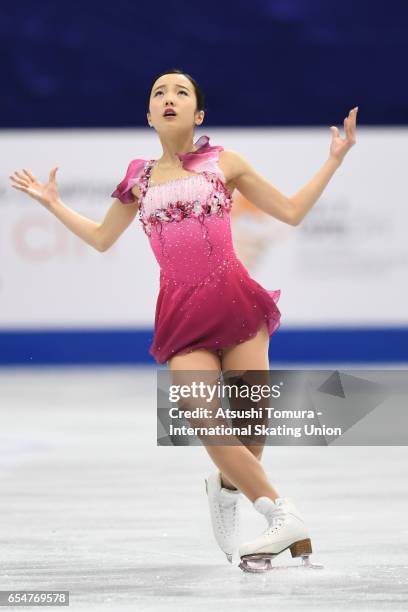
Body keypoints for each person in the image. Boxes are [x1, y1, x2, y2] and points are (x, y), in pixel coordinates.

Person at [9, 68, 358, 571]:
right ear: (149, 115)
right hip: (182, 318)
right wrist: (54, 203)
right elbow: (103, 239)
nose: (168, 98)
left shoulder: (225, 162)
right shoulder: (139, 179)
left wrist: (333, 160)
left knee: (250, 434)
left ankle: (226, 489)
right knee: (210, 425)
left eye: (181, 93)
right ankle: (283, 515)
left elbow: (292, 211)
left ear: (199, 114)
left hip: (239, 307)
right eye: (159, 93)